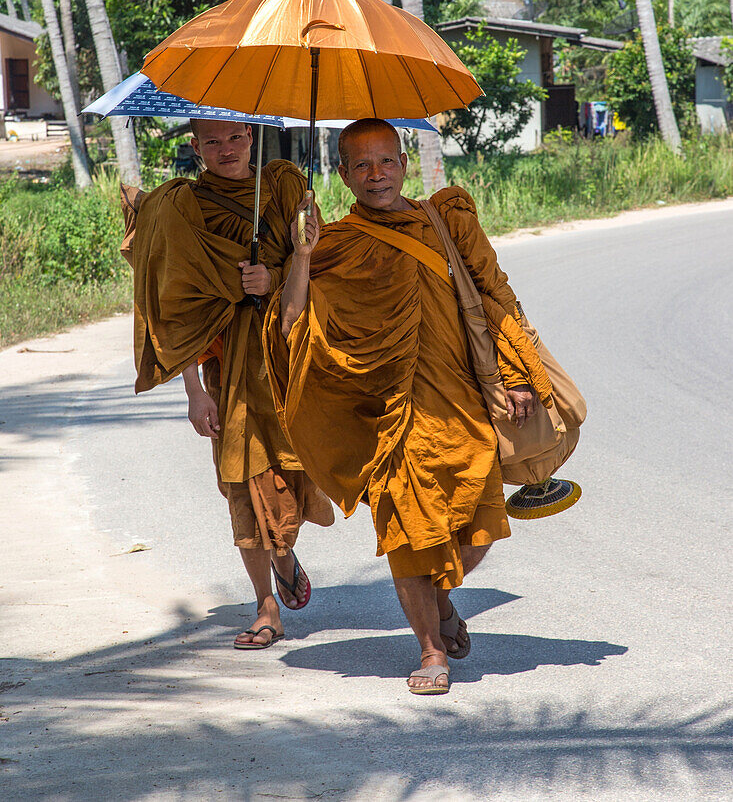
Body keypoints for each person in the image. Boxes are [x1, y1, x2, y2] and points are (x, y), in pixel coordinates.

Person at [262, 118, 546, 694]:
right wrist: (302, 255)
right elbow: (288, 321)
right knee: (407, 529)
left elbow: (494, 296)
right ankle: (431, 651)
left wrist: (519, 374)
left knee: (478, 525)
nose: (375, 176)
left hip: (461, 401)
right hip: (386, 414)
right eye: (361, 165)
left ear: (405, 163)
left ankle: (441, 598)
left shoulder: (446, 223)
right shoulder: (334, 244)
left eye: (386, 161)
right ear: (342, 173)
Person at [131, 119, 334, 650]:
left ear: (252, 138)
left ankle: (284, 548)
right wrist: (195, 392)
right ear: (194, 147)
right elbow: (176, 310)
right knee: (242, 484)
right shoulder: (184, 210)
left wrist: (277, 271)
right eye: (212, 142)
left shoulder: (285, 188)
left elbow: (322, 269)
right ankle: (266, 605)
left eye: (236, 138)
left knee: (291, 474)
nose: (226, 150)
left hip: (284, 363)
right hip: (226, 377)